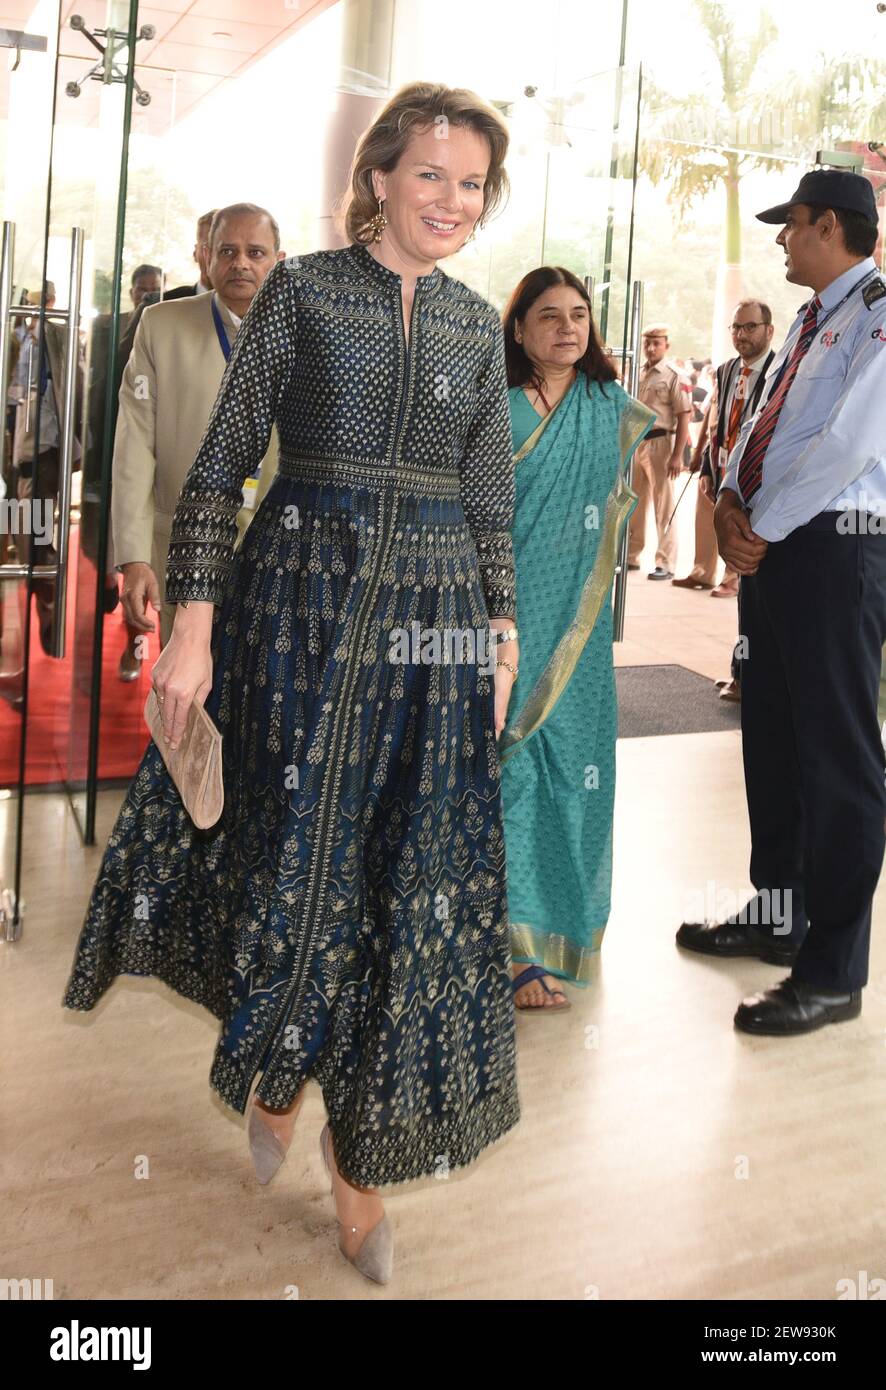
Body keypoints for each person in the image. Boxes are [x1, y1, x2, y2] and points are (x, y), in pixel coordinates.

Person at [62, 82, 521, 1285]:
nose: (451, 202)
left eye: (471, 184)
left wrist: (501, 633)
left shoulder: (479, 325)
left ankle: (355, 1168)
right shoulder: (306, 293)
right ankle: (276, 1066)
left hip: (430, 630)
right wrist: (196, 624)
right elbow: (217, 468)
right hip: (297, 610)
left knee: (395, 874)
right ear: (379, 178)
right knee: (283, 855)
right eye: (431, 175)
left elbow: (486, 500)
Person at [677, 168, 886, 1036]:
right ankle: (780, 914)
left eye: (792, 224)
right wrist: (728, 502)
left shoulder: (877, 317)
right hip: (773, 546)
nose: (781, 239)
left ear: (832, 226)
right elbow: (762, 420)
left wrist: (755, 525)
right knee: (771, 735)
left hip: (835, 547)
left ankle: (834, 969)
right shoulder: (808, 321)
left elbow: (846, 448)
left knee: (838, 755)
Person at [499, 266, 653, 1009]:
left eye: (580, 314)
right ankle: (517, 946)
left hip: (581, 628)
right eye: (550, 315)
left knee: (579, 769)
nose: (568, 327)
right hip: (504, 614)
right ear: (520, 327)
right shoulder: (492, 406)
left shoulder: (612, 408)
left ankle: (568, 929)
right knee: (513, 765)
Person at [112, 203, 283, 659]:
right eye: (227, 251)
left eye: (255, 252)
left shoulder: (309, 334)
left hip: (279, 558)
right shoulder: (162, 326)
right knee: (182, 704)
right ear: (206, 257)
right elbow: (135, 445)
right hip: (181, 550)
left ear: (279, 260)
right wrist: (134, 555)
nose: (240, 263)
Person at [673, 301, 775, 598]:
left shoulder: (779, 370)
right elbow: (717, 418)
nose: (741, 334)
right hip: (719, 462)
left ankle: (733, 577)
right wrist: (704, 463)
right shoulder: (726, 370)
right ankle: (702, 571)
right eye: (736, 327)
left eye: (750, 327)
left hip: (752, 469)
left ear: (769, 330)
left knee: (738, 524)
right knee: (706, 518)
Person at [627, 324, 691, 579]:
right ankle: (632, 555)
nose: (651, 348)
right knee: (634, 502)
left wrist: (677, 455)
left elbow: (684, 416)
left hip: (661, 443)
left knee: (664, 505)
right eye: (647, 343)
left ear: (667, 346)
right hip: (636, 443)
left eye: (657, 343)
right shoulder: (637, 373)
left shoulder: (673, 375)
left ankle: (665, 562)